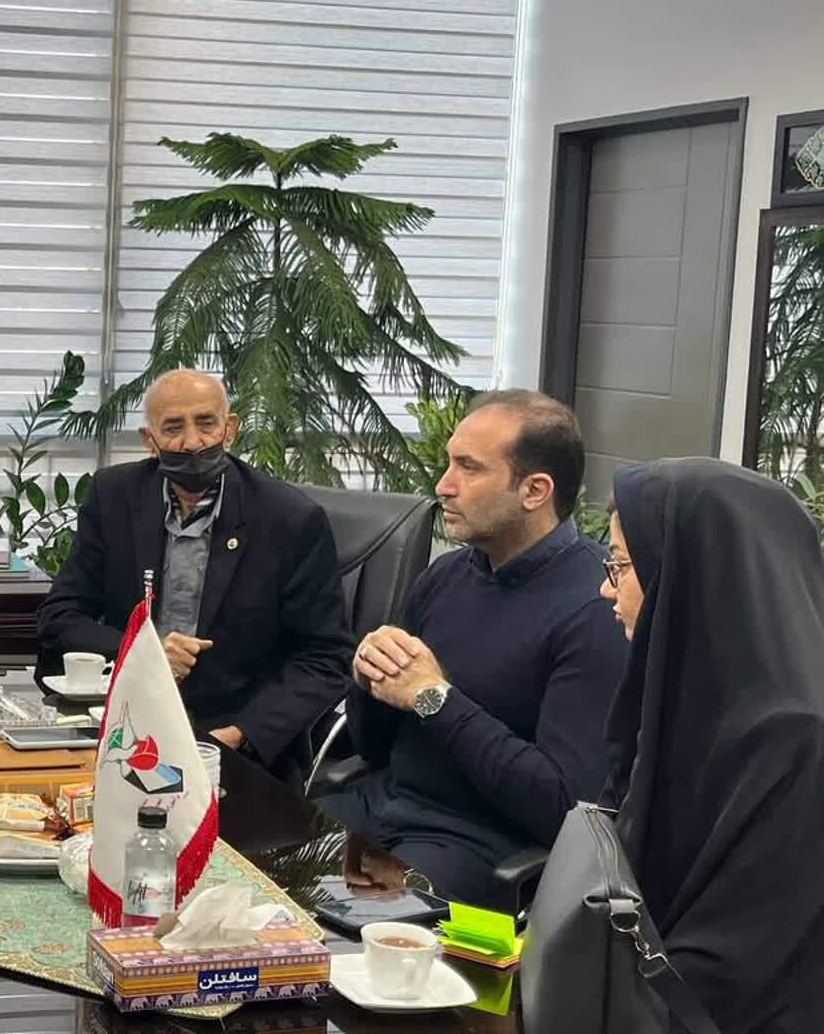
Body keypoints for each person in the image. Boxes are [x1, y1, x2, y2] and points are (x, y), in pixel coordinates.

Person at [327, 390, 626, 907]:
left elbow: (564, 811)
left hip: (475, 853)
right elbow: (372, 747)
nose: (443, 485)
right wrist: (369, 678)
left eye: (468, 468)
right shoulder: (447, 576)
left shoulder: (598, 609)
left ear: (534, 490)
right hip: (377, 814)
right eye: (449, 463)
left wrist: (435, 699)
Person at [599, 457, 824, 1034]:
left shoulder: (793, 740)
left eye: (620, 566)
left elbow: (737, 966)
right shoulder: (690, 695)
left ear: (689, 577)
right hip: (650, 1006)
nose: (605, 590)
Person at [37, 368, 353, 786]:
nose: (192, 442)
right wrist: (143, 652)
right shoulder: (114, 496)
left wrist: (239, 735)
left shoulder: (290, 520)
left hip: (236, 742)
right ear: (150, 440)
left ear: (230, 428)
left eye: (206, 423)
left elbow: (325, 657)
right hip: (122, 728)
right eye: (173, 428)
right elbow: (60, 617)